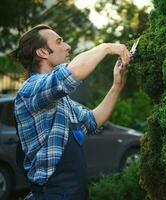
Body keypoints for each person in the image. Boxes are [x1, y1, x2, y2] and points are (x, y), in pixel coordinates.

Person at [11, 24, 131, 200]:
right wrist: (107, 47)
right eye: (59, 42)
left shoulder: (59, 100)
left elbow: (92, 120)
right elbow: (70, 74)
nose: (67, 46)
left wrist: (116, 86)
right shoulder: (30, 90)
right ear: (42, 52)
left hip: (74, 192)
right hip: (53, 193)